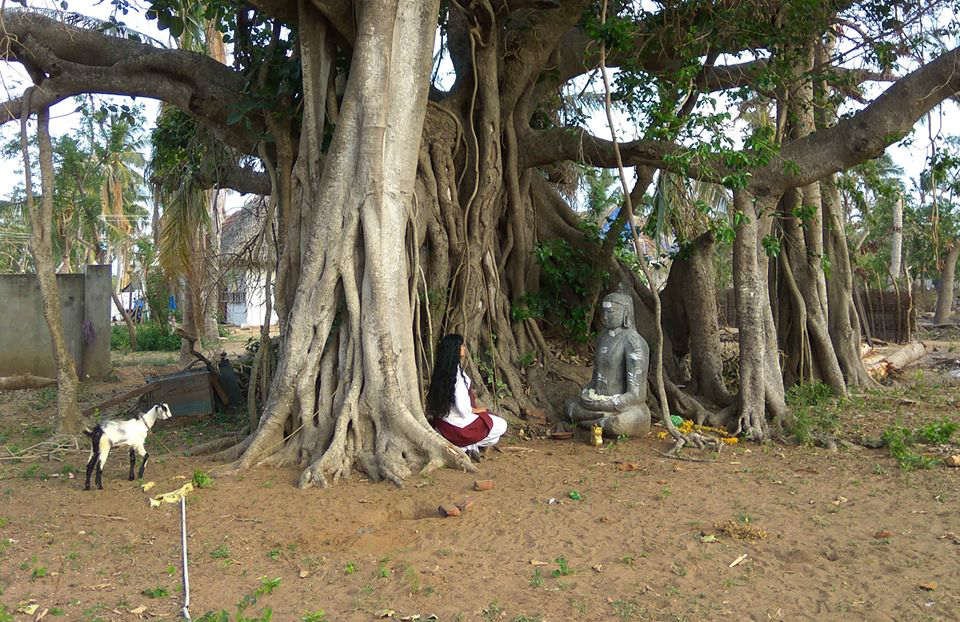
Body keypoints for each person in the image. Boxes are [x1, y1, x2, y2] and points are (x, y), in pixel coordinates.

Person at [565, 290, 651, 437]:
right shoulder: (602, 337)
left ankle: (597, 422)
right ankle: (597, 421)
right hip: (600, 403)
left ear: (626, 313)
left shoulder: (634, 342)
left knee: (617, 423)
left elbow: (637, 395)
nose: (605, 316)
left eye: (611, 312)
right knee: (570, 406)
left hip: (622, 407)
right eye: (603, 311)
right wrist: (588, 393)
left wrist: (612, 403)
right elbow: (595, 379)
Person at [425, 334, 507, 460]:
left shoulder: (442, 372)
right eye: (462, 345)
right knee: (501, 425)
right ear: (455, 349)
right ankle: (464, 446)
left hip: (443, 424)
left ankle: (467, 446)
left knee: (494, 436)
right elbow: (463, 410)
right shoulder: (456, 378)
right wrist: (473, 410)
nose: (464, 348)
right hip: (458, 427)